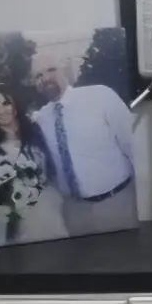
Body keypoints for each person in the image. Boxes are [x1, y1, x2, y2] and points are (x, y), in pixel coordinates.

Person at [30, 45, 137, 236]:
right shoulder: (41, 119)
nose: (45, 78)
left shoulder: (100, 96)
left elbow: (134, 145)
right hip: (74, 212)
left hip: (117, 204)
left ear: (64, 69)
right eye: (38, 75)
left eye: (51, 69)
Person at [0, 85, 69, 246]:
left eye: (6, 103)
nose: (1, 111)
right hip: (17, 218)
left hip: (49, 208)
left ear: (15, 104)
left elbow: (52, 166)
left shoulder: (35, 131)